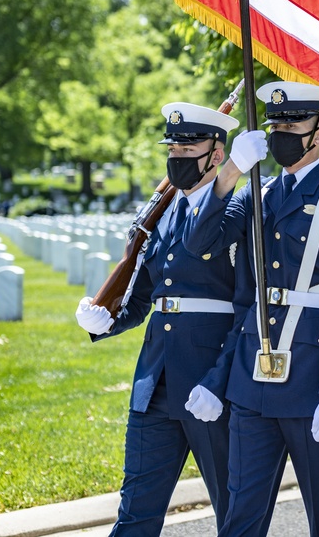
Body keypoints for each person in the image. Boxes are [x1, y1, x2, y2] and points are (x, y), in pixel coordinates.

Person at [183, 81, 319, 536]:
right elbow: (200, 244)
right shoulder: (255, 193)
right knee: (241, 519)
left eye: (294, 123)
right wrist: (230, 171)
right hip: (252, 384)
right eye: (276, 124)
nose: (282, 131)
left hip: (313, 386)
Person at [75, 103, 248, 536]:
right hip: (156, 383)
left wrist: (220, 379)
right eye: (173, 146)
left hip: (211, 383)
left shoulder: (235, 209)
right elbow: (147, 295)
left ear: (216, 152)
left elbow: (247, 307)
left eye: (189, 146)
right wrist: (106, 319)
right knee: (136, 510)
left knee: (234, 510)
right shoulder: (165, 213)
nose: (178, 155)